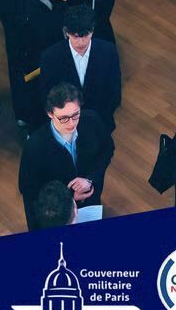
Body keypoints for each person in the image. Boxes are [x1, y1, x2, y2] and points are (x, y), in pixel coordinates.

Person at [18, 82, 114, 230]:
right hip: (59, 214)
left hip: (91, 197)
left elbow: (107, 150)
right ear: (50, 114)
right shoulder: (35, 147)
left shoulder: (92, 121)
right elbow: (29, 189)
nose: (71, 123)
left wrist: (90, 179)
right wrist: (69, 198)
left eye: (76, 114)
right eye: (63, 118)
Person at [0, 0, 69, 128]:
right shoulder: (30, 10)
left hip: (17, 50)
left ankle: (22, 114)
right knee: (36, 88)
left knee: (19, 82)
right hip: (36, 56)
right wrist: (60, 3)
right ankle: (34, 120)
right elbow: (49, 30)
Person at [41, 5, 122, 132]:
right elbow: (48, 96)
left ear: (92, 30)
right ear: (67, 32)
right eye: (76, 36)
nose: (81, 42)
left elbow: (114, 90)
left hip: (100, 121)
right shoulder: (50, 57)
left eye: (85, 35)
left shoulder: (108, 51)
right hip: (66, 124)